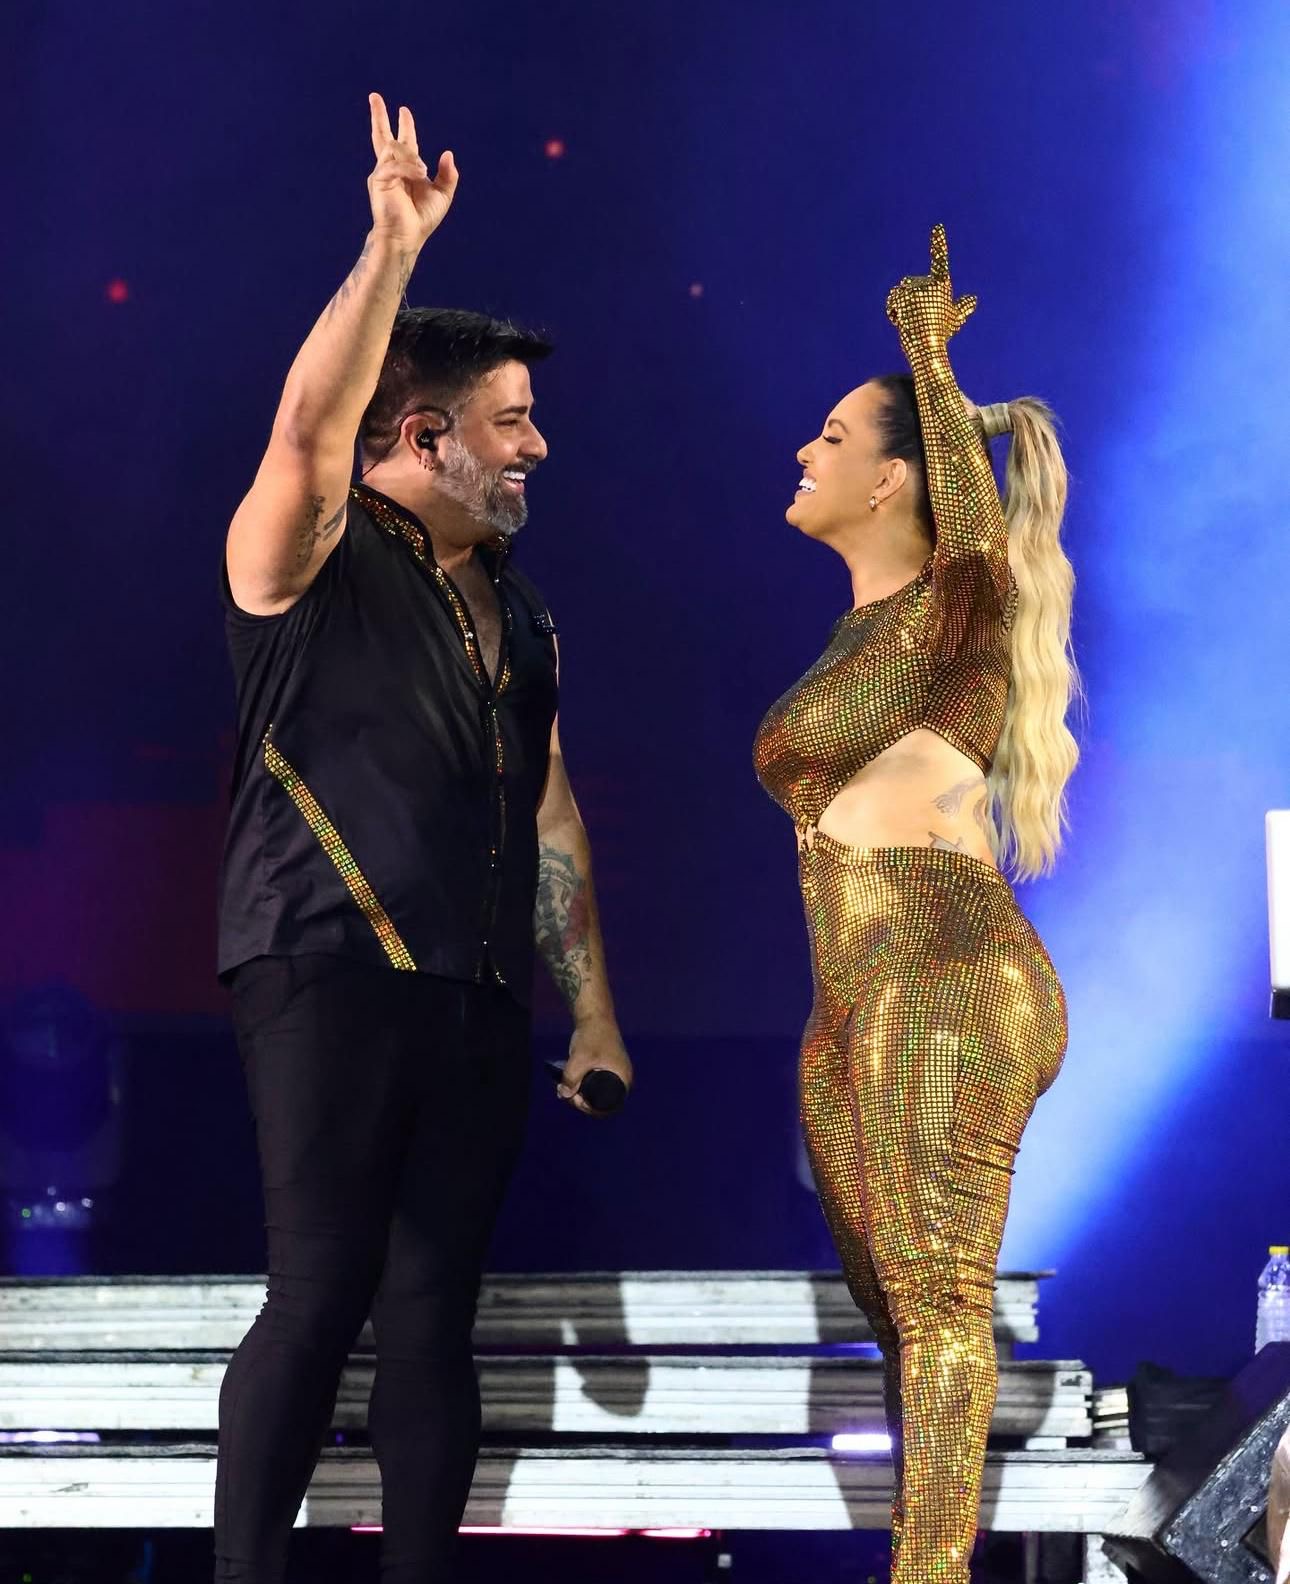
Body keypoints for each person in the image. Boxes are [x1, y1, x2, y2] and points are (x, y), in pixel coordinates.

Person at [214, 93, 631, 1583]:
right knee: (322, 1286)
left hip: (476, 994)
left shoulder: (522, 612)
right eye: (511, 423)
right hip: (323, 960)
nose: (537, 448)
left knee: (433, 1308)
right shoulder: (311, 554)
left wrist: (591, 1008)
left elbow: (548, 804)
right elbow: (304, 432)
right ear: (424, 433)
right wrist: (390, 251)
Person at [753, 225, 1077, 1583]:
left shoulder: (959, 605)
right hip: (853, 992)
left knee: (939, 1308)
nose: (803, 451)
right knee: (902, 1320)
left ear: (895, 478)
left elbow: (976, 536)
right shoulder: (858, 634)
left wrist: (926, 360)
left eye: (832, 437)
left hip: (943, 970)